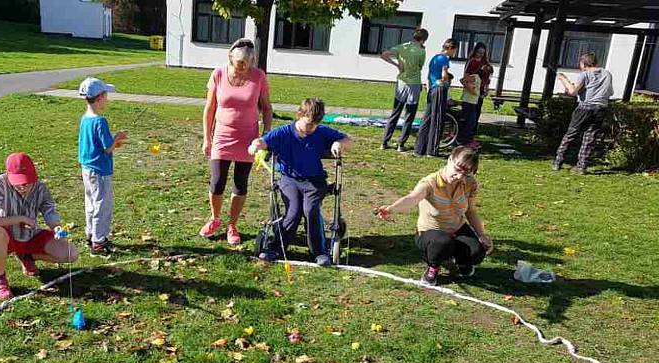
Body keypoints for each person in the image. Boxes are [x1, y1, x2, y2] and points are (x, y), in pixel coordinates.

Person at [248, 98, 352, 267]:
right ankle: (276, 248)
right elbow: (263, 141)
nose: (312, 128)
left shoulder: (321, 131)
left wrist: (338, 143)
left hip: (315, 181)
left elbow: (348, 140)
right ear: (299, 115)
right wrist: (255, 145)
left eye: (315, 124)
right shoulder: (283, 132)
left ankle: (319, 251)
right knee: (294, 210)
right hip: (289, 180)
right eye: (309, 123)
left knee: (310, 209)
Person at [374, 146, 492, 286]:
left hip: (457, 228)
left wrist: (481, 235)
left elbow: (471, 211)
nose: (460, 176)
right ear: (449, 160)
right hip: (430, 231)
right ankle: (433, 267)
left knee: (477, 252)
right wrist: (391, 209)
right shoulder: (430, 182)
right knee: (443, 243)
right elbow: (411, 198)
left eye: (466, 173)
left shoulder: (470, 183)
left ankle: (461, 261)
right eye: (458, 169)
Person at [200, 38, 273, 245]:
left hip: (248, 138)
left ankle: (232, 225)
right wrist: (207, 137)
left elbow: (267, 108)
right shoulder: (219, 73)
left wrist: (266, 134)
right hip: (222, 136)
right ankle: (215, 218)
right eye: (239, 63)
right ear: (230, 58)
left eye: (247, 63)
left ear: (253, 60)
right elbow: (210, 108)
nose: (243, 67)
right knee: (217, 181)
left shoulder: (259, 76)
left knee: (240, 183)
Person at [0, 153, 79, 300]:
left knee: (71, 253)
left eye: (26, 182)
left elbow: (49, 211)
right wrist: (20, 218)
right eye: (17, 182)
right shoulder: (0, 183)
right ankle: (0, 279)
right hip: (5, 236)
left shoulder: (40, 188)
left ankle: (27, 256)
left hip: (30, 235)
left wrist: (57, 227)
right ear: (8, 174)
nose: (22, 186)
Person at [77, 77, 128, 257]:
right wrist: (118, 138)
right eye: (106, 95)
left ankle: (91, 234)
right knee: (102, 205)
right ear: (99, 98)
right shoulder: (100, 121)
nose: (107, 98)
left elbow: (95, 144)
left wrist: (113, 143)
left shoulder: (85, 118)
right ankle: (98, 242)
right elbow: (107, 148)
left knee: (91, 202)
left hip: (87, 169)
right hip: (99, 170)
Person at [553, 52, 614, 174]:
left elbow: (573, 92)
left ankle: (558, 162)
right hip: (601, 108)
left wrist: (564, 80)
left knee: (571, 134)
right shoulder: (607, 74)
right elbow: (610, 92)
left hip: (584, 108)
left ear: (583, 63)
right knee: (589, 138)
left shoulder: (584, 74)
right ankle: (582, 166)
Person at [380, 28, 429, 152]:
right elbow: (420, 66)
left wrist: (396, 64)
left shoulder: (402, 47)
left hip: (401, 83)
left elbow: (384, 55)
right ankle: (401, 144)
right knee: (409, 115)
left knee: (395, 112)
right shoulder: (421, 52)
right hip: (414, 84)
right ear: (423, 40)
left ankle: (384, 142)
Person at [414, 39, 458, 157]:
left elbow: (429, 76)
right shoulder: (444, 59)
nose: (454, 53)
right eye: (454, 51)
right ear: (450, 48)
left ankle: (419, 149)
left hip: (432, 89)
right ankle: (432, 151)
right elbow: (444, 74)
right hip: (439, 89)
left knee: (427, 119)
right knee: (437, 120)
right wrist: (444, 79)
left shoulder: (434, 58)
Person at [463, 43, 494, 140]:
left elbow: (488, 78)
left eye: (483, 53)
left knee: (477, 112)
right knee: (470, 112)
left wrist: (486, 89)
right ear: (475, 51)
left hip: (481, 89)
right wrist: (479, 70)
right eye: (479, 52)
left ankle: (472, 133)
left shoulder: (486, 63)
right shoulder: (471, 62)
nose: (480, 55)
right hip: (472, 89)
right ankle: (466, 133)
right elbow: (466, 76)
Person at [457, 72, 481, 146]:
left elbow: (462, 80)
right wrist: (473, 91)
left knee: (471, 122)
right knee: (469, 122)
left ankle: (466, 139)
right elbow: (463, 80)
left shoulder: (477, 78)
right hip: (469, 102)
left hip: (472, 102)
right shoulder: (475, 76)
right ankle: (462, 140)